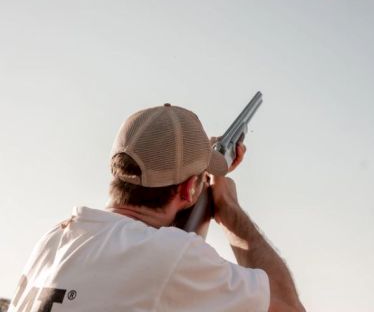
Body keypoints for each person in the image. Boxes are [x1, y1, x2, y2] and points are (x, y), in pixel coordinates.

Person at [8, 104, 306, 312]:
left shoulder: (55, 239)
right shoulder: (172, 254)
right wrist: (229, 210)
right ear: (189, 189)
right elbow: (289, 308)